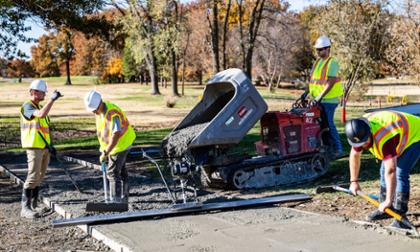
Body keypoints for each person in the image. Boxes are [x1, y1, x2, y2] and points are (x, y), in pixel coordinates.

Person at [345, 110, 420, 229]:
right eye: (359, 144)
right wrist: (354, 182)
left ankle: (400, 216)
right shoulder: (358, 131)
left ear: (369, 133)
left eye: (365, 142)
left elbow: (391, 171)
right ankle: (386, 209)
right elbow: (354, 155)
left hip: (416, 135)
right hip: (399, 130)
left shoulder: (384, 138)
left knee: (400, 172)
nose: (363, 146)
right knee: (382, 170)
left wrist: (389, 200)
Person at [84, 90, 136, 203]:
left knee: (112, 172)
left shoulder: (112, 113)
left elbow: (116, 134)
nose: (93, 112)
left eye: (94, 109)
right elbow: (104, 132)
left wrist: (107, 151)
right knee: (121, 170)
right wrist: (103, 150)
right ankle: (124, 197)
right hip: (116, 145)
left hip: (121, 144)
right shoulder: (100, 112)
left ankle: (115, 201)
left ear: (99, 104)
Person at [20, 80, 62, 218]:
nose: (45, 94)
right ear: (34, 92)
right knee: (32, 177)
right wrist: (52, 100)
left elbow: (46, 129)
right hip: (33, 147)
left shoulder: (41, 107)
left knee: (39, 177)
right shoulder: (27, 107)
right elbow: (41, 115)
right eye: (43, 92)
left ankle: (34, 205)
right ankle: (25, 208)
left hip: (44, 148)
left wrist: (51, 145)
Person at [309, 35, 344, 158]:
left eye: (320, 49)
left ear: (328, 49)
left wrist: (318, 97)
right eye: (317, 49)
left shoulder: (332, 63)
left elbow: (330, 82)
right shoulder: (317, 62)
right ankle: (325, 147)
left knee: (328, 123)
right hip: (318, 99)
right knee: (319, 125)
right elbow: (314, 81)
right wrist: (307, 93)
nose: (318, 52)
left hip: (329, 100)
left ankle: (338, 149)